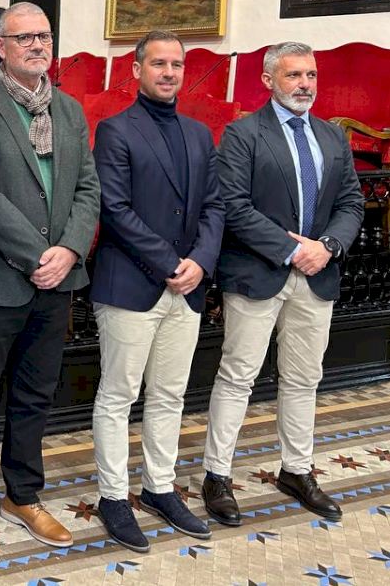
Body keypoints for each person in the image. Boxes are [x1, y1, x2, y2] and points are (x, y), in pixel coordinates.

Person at [0, 2, 100, 563]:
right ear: (1, 46)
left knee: (36, 395)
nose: (37, 45)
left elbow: (88, 188)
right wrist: (38, 254)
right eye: (24, 38)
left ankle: (23, 495)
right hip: (0, 279)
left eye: (44, 36)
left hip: (56, 281)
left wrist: (69, 250)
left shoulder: (69, 110)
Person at [201, 41, 364, 527]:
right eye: (294, 75)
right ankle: (217, 475)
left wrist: (327, 246)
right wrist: (293, 250)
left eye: (311, 75)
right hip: (258, 273)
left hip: (318, 275)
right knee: (238, 377)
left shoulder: (331, 136)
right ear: (269, 80)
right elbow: (233, 205)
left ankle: (296, 469)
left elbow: (351, 202)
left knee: (304, 378)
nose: (304, 85)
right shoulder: (243, 134)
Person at [89, 30, 225, 553]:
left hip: (186, 287)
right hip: (131, 284)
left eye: (177, 65)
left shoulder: (199, 134)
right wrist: (171, 263)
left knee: (170, 394)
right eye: (159, 64)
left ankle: (159, 488)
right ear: (137, 70)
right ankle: (113, 497)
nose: (169, 73)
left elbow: (214, 206)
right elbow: (115, 209)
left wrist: (200, 263)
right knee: (118, 396)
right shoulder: (116, 130)